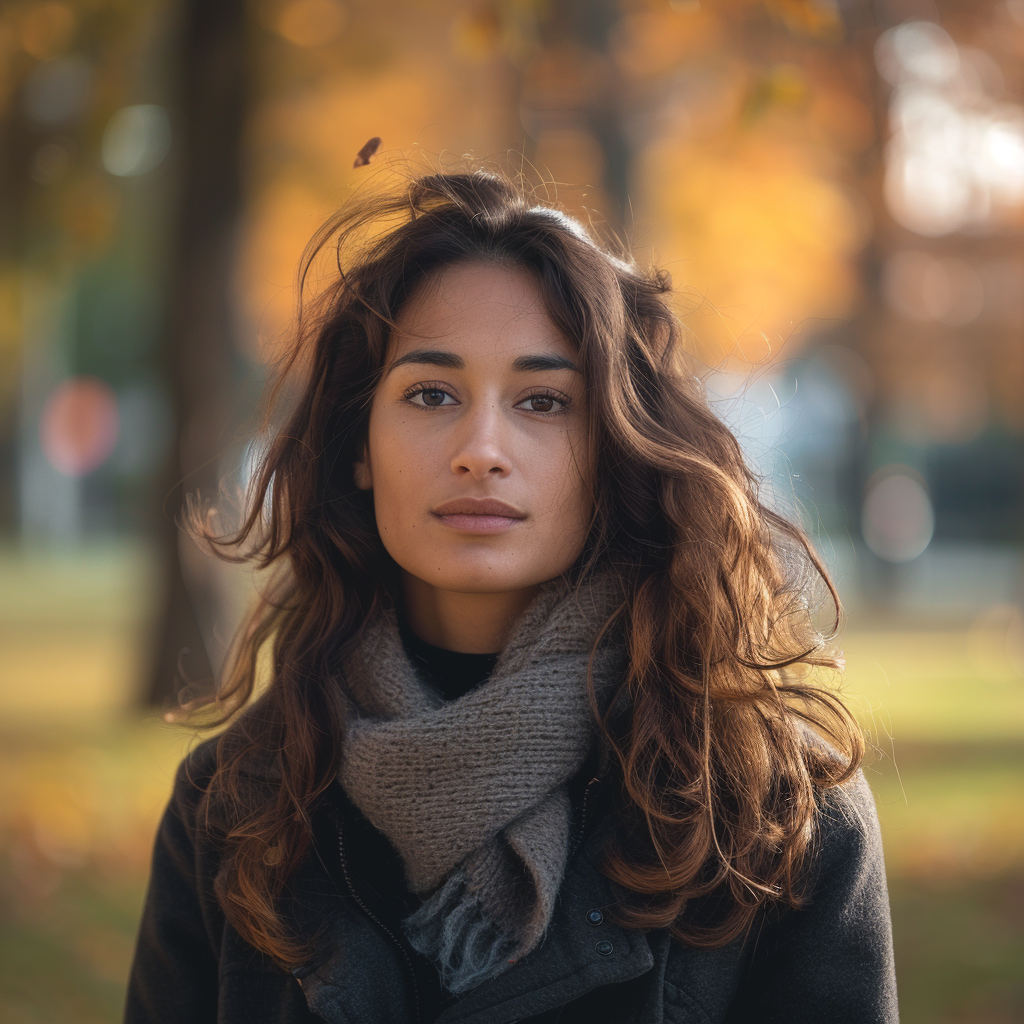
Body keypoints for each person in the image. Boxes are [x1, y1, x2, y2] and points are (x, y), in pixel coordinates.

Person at [124, 169, 898, 1024]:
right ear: (358, 445)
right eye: (431, 393)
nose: (481, 449)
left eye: (543, 401)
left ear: (615, 448)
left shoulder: (770, 807)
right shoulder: (236, 803)